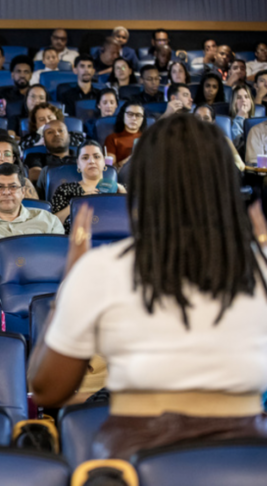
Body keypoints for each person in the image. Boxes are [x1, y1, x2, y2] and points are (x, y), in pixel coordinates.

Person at [28, 114, 267, 461]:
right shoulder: (259, 265)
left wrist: (70, 285)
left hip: (137, 461)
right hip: (249, 461)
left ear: (140, 183)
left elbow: (47, 389)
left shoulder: (101, 269)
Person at [0, 163, 63, 289]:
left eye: (13, 187)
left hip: (41, 279)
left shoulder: (48, 220)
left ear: (23, 191)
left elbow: (60, 256)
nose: (6, 192)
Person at [51, 140, 127, 233]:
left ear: (104, 162)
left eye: (97, 157)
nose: (91, 161)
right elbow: (53, 224)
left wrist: (123, 195)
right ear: (78, 164)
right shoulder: (65, 190)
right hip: (78, 241)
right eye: (85, 157)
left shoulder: (122, 189)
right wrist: (78, 203)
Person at [26, 120, 78, 192]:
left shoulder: (81, 157)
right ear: (44, 140)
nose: (56, 134)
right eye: (50, 132)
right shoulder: (35, 157)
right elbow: (34, 176)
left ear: (69, 136)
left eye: (61, 130)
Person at [192, 104, 246, 171]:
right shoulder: (186, 141)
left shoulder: (224, 140)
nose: (201, 122)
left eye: (206, 118)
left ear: (213, 122)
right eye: (197, 118)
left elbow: (240, 165)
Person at [105, 102, 146, 171]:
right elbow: (112, 170)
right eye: (130, 114)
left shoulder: (148, 138)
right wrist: (132, 157)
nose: (134, 118)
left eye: (138, 115)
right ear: (123, 116)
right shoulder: (112, 139)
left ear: (142, 119)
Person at [231, 84, 256, 154]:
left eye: (246, 97)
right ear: (234, 103)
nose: (243, 100)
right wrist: (240, 116)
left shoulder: (257, 121)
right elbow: (236, 143)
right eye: (239, 97)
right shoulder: (228, 123)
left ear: (251, 101)